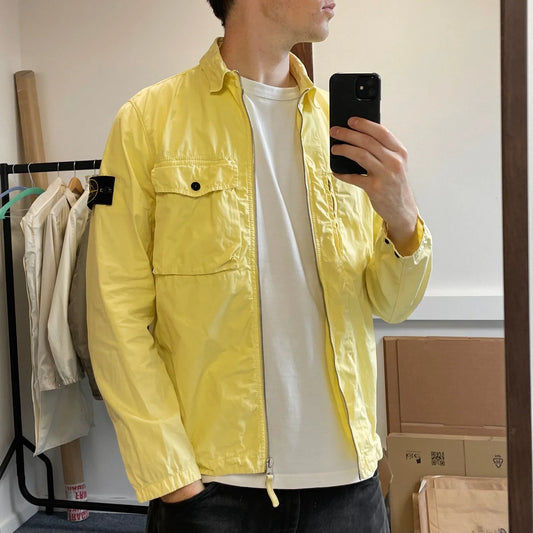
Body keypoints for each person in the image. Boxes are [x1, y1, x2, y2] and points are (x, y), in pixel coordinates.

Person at [86, 0, 432, 531]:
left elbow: (394, 303)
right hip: (214, 492)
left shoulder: (340, 131)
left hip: (349, 484)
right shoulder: (149, 123)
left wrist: (402, 217)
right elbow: (116, 314)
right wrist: (175, 478)